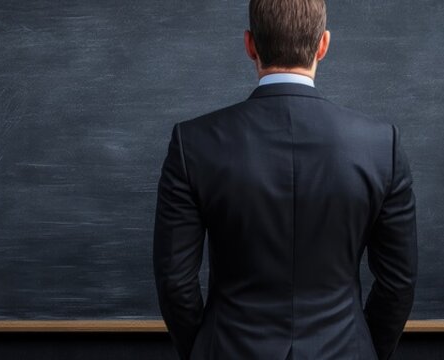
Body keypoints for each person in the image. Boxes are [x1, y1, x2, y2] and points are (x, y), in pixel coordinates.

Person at [151, 0, 418, 359]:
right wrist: (364, 349)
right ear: (323, 44)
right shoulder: (381, 145)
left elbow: (175, 282)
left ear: (250, 45)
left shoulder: (193, 143)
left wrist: (205, 349)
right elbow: (398, 283)